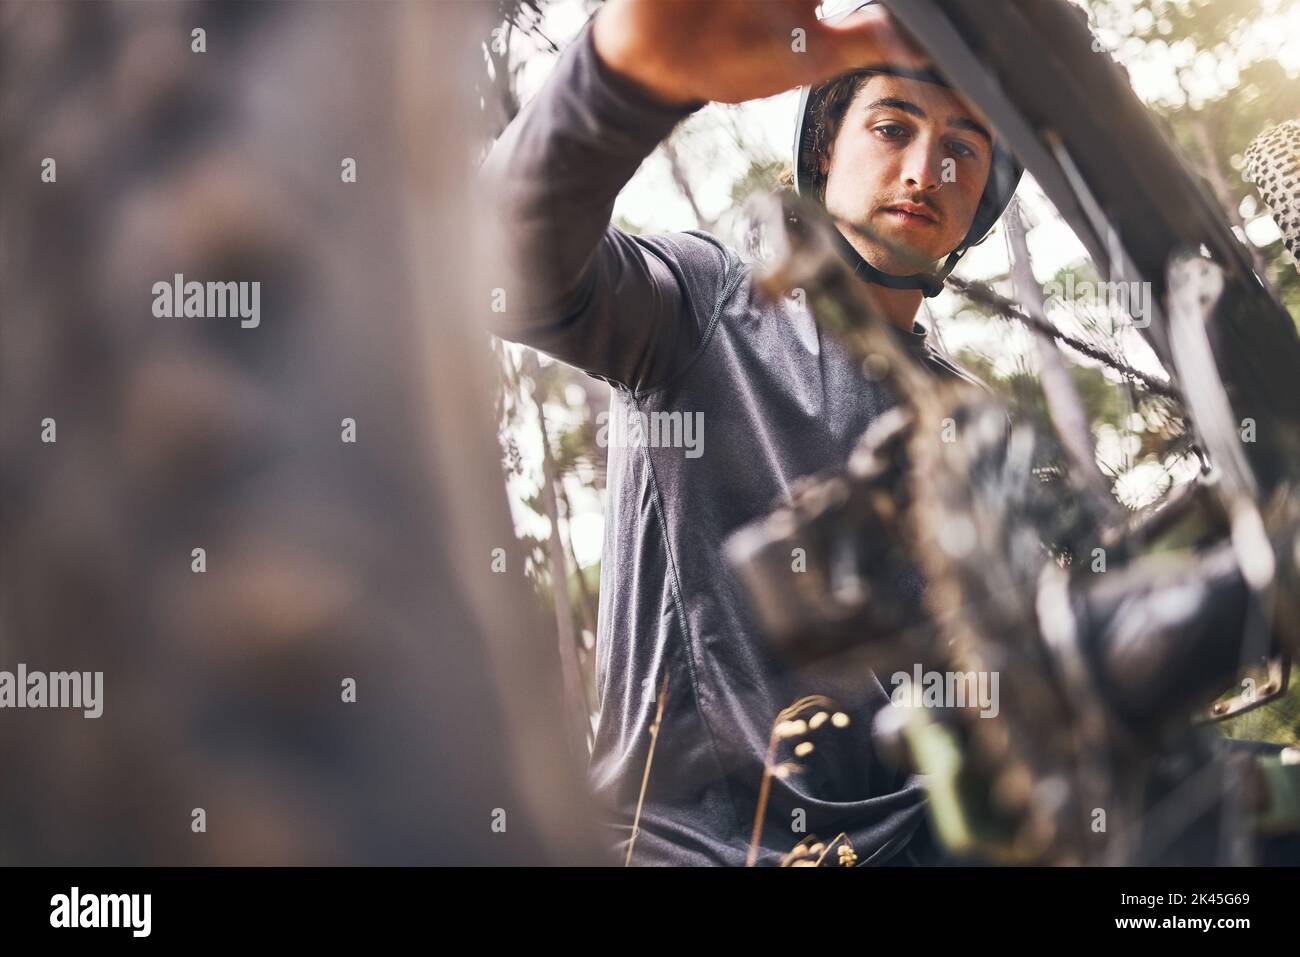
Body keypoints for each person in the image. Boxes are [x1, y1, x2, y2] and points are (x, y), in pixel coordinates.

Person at [479, 0, 1021, 865]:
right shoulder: (708, 299)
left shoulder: (978, 419)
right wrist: (621, 79)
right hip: (693, 850)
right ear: (823, 154)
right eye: (891, 127)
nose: (926, 169)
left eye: (963, 149)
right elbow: (504, 267)